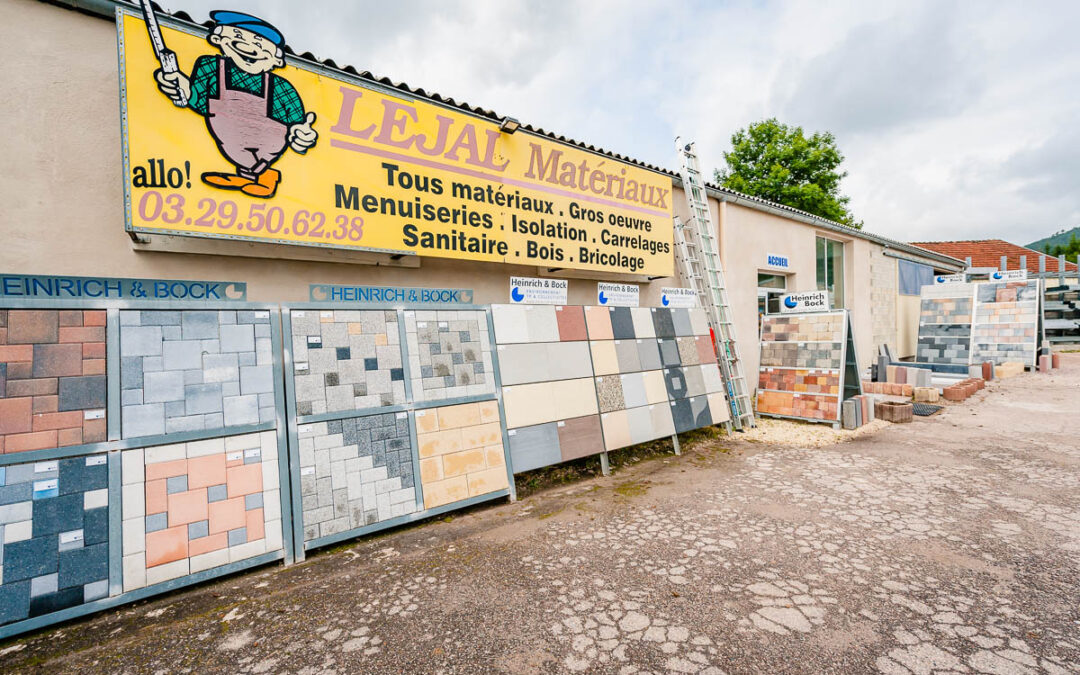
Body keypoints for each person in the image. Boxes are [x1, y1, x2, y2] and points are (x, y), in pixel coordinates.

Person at [153, 10, 317, 198]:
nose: (248, 47)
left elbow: (297, 126)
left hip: (268, 149)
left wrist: (301, 136)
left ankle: (263, 176)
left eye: (259, 44)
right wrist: (180, 86)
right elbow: (196, 99)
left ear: (277, 59)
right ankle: (247, 176)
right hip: (231, 146)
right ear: (218, 39)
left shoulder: (281, 88)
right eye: (237, 36)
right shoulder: (210, 68)